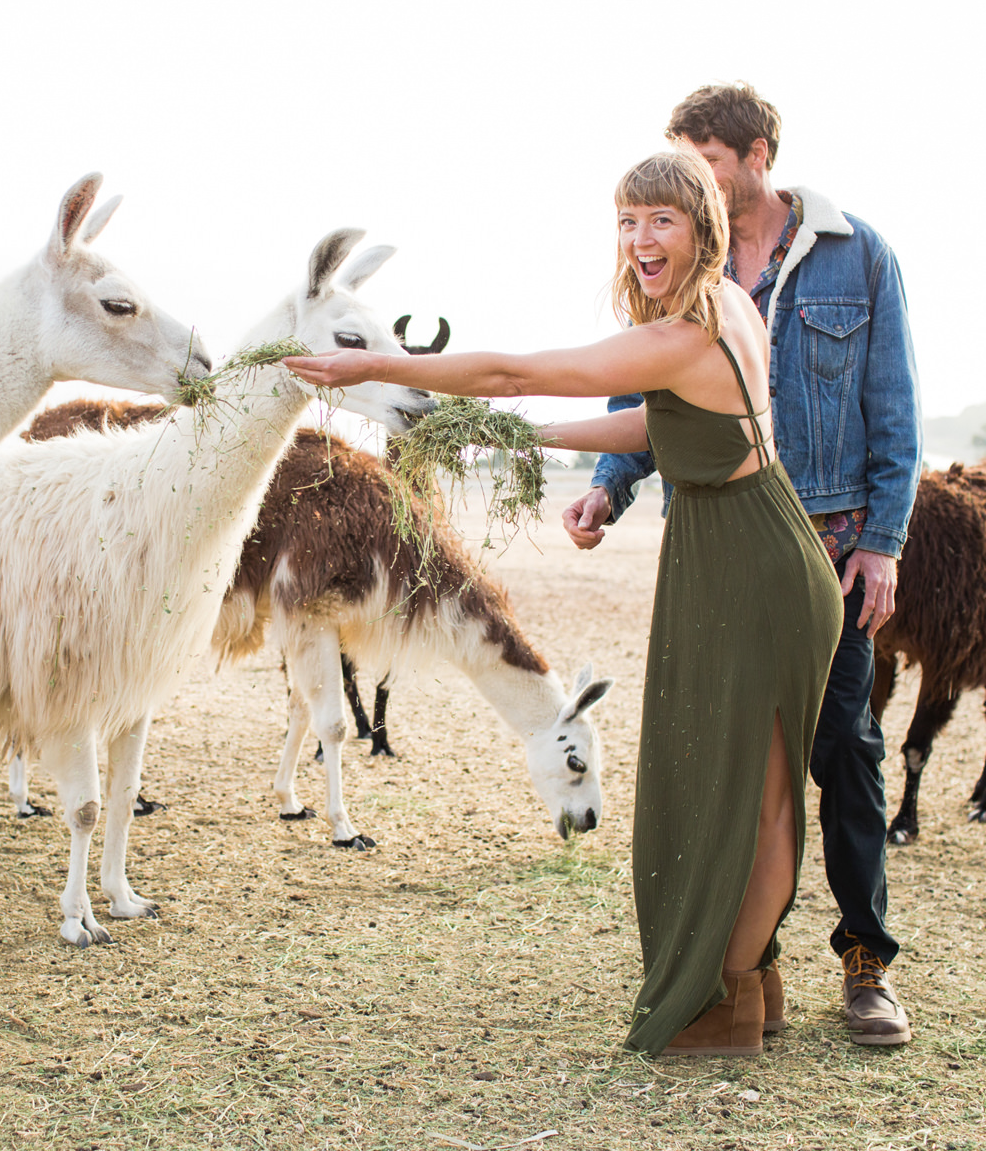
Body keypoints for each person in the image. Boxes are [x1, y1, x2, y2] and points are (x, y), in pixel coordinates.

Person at [285, 143, 843, 1057]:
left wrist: (373, 373)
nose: (640, 239)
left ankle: (727, 998)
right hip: (753, 545)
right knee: (750, 790)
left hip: (751, 565)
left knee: (761, 796)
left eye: (661, 219)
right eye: (627, 221)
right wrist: (527, 436)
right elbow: (660, 423)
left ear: (702, 223)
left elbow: (512, 368)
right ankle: (753, 989)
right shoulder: (729, 310)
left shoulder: (685, 331)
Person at [564, 83, 921, 1046]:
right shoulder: (691, 270)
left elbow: (894, 412)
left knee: (841, 751)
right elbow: (663, 397)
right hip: (721, 548)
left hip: (832, 545)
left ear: (759, 156)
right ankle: (743, 972)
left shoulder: (854, 255)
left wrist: (885, 541)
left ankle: (865, 963)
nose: (694, 185)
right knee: (732, 768)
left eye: (709, 167)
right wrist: (609, 484)